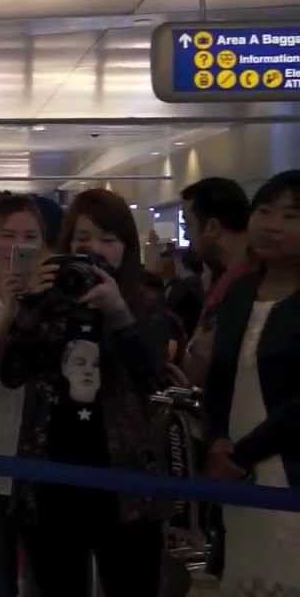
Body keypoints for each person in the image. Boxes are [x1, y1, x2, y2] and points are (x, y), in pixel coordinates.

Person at [0, 188, 172, 597]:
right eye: (82, 238)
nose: (93, 249)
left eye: (108, 239)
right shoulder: (50, 302)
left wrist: (119, 314)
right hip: (51, 476)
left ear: (126, 248)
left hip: (126, 482)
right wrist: (29, 307)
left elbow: (154, 383)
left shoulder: (146, 305)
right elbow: (11, 373)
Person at [203, 170, 300, 596]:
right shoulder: (240, 291)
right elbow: (219, 379)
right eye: (264, 211)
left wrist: (242, 455)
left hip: (287, 470)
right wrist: (215, 441)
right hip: (235, 472)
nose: (272, 224)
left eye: (291, 216)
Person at [0, 192, 47, 597]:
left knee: (44, 579)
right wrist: (9, 310)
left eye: (30, 236)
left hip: (48, 461)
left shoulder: (54, 296)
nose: (18, 245)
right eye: (7, 234)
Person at [181, 177, 253, 388]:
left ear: (212, 227)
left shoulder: (242, 285)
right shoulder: (224, 279)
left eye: (188, 224)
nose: (186, 235)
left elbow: (203, 363)